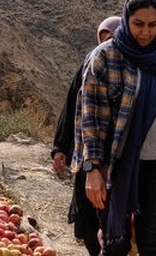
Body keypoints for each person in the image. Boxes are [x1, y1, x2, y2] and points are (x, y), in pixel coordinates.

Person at [79, 0, 156, 256]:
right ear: (126, 21)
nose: (145, 32)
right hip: (117, 163)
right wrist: (93, 169)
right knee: (116, 245)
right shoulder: (105, 57)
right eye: (138, 24)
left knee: (154, 244)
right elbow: (91, 119)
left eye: (152, 25)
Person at [50, 15, 121, 256]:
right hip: (87, 154)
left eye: (114, 37)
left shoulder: (131, 68)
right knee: (88, 215)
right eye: (104, 37)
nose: (108, 42)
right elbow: (72, 108)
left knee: (114, 220)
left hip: (118, 156)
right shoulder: (90, 64)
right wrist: (60, 148)